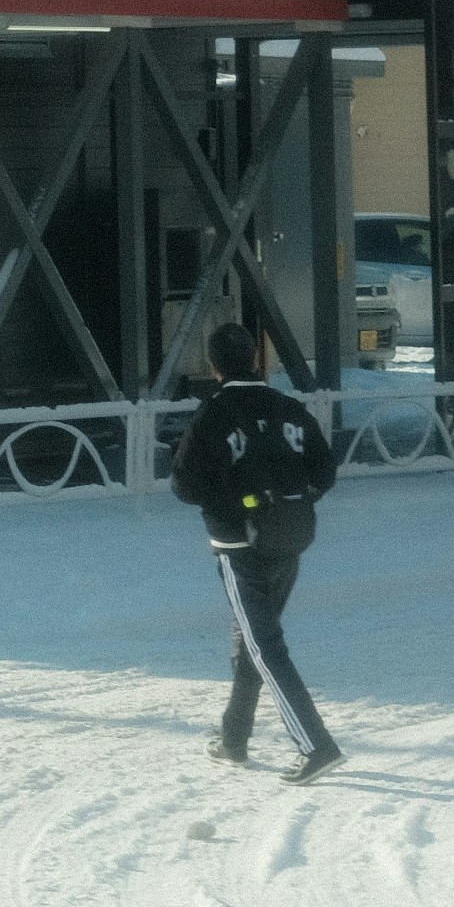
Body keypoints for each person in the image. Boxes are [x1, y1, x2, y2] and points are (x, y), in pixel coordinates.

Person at [168, 318, 344, 782]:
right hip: (291, 539)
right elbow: (324, 471)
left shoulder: (214, 413)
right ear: (256, 360)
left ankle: (316, 745)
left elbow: (184, 486)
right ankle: (233, 738)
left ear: (213, 365)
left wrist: (235, 501)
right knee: (254, 640)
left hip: (239, 546)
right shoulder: (287, 406)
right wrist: (287, 502)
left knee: (264, 646)